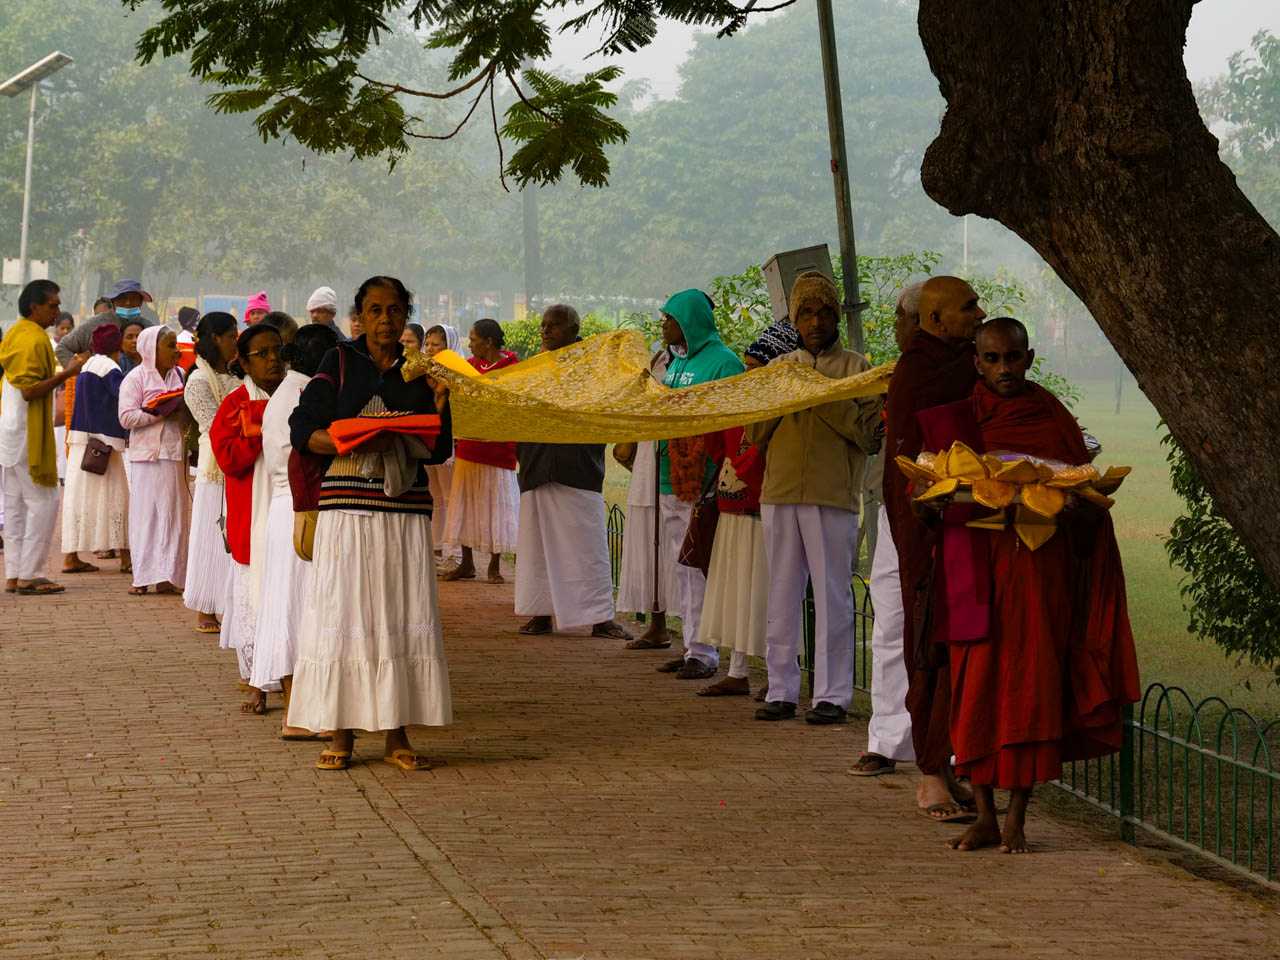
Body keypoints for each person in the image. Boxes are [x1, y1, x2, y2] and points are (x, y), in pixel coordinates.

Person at [920, 318, 1141, 853]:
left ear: (1030, 357)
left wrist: (1070, 505)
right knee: (977, 689)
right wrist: (934, 504)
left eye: (1013, 358)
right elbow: (922, 502)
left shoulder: (1054, 420)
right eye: (992, 359)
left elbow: (1088, 504)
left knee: (1032, 686)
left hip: (1042, 575)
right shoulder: (959, 421)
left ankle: (1017, 817)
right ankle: (985, 815)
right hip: (977, 571)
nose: (1003, 369)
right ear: (976, 362)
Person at [288, 276, 453, 772]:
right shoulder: (338, 361)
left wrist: (442, 408)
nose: (386, 320)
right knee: (348, 615)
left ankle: (396, 733)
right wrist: (350, 440)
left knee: (399, 616)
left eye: (395, 310)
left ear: (407, 314)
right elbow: (301, 430)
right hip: (347, 511)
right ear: (359, 316)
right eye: (376, 311)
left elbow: (439, 449)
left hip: (402, 513)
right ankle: (341, 732)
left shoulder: (418, 373)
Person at [745, 273, 882, 722]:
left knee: (832, 596)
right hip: (780, 493)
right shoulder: (780, 368)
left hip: (833, 496)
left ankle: (832, 696)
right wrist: (780, 390)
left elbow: (868, 437)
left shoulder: (858, 368)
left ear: (836, 316)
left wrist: (820, 395)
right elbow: (754, 432)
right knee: (781, 594)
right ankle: (781, 690)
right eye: (806, 313)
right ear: (795, 320)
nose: (816, 321)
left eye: (824, 312)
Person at [882, 274, 986, 820]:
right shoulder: (919, 370)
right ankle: (929, 772)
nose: (979, 313)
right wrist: (921, 522)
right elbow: (904, 464)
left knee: (963, 645)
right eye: (968, 307)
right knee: (930, 646)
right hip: (930, 526)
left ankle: (951, 763)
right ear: (936, 320)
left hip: (973, 522)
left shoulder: (973, 362)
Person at [696, 321, 802, 696]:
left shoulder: (784, 406)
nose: (747, 374)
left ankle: (778, 678)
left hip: (764, 506)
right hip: (733, 508)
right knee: (738, 590)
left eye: (757, 368)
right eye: (747, 366)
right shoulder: (739, 399)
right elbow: (719, 443)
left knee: (768, 594)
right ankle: (737, 671)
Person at [514, 305, 632, 640]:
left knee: (587, 546)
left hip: (577, 468)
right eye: (543, 326)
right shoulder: (533, 369)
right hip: (537, 465)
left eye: (554, 325)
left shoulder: (592, 369)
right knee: (536, 547)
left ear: (574, 329)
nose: (546, 331)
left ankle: (600, 619)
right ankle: (540, 613)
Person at [251, 323, 340, 738]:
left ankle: (296, 711)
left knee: (288, 607)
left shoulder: (285, 392)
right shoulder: (306, 395)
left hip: (286, 509)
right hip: (303, 508)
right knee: (302, 608)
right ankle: (300, 712)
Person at [851, 281, 925, 775]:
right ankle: (887, 739)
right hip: (891, 507)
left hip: (941, 516)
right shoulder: (895, 375)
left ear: (924, 322)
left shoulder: (965, 372)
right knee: (891, 626)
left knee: (942, 629)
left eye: (899, 320)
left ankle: (953, 750)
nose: (895, 329)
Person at [653, 290, 745, 680]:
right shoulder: (676, 362)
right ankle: (693, 645)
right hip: (668, 476)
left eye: (670, 318)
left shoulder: (724, 363)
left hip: (703, 481)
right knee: (682, 568)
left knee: (699, 566)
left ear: (690, 320)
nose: (664, 325)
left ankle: (706, 653)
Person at [210, 324, 286, 713]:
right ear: (243, 362)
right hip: (250, 514)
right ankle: (256, 681)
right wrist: (261, 427)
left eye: (278, 350)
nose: (274, 358)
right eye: (263, 353)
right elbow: (227, 458)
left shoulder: (298, 395)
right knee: (254, 598)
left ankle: (291, 679)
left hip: (288, 507)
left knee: (287, 595)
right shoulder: (234, 402)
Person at [1, 280, 84, 595]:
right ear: (34, 307)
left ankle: (14, 574)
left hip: (11, 433)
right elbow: (28, 391)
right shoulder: (34, 340)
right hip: (26, 435)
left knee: (15, 505)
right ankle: (31, 574)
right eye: (53, 305)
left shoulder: (16, 333)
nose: (58, 311)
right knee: (44, 501)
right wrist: (67, 373)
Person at [440, 318, 519, 584]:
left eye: (474, 339)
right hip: (469, 447)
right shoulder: (470, 367)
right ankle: (468, 563)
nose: (470, 344)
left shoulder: (512, 368)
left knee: (494, 506)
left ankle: (494, 566)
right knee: (467, 504)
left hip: (498, 450)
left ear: (489, 342)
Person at [117, 325, 190, 596]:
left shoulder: (180, 375)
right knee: (146, 516)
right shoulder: (135, 379)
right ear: (151, 349)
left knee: (174, 516)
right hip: (145, 457)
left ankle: (169, 576)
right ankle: (143, 575)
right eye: (170, 346)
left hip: (174, 454)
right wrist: (159, 412)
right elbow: (126, 418)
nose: (176, 351)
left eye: (175, 345)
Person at [182, 312, 240, 633]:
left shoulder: (235, 374)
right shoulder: (198, 380)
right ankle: (206, 607)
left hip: (239, 459)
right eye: (232, 336)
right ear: (216, 338)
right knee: (211, 535)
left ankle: (229, 602)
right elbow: (214, 423)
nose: (236, 342)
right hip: (215, 464)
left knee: (233, 534)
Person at [616, 351, 678, 651]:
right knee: (650, 546)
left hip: (677, 464)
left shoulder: (698, 363)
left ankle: (697, 637)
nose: (666, 324)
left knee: (676, 548)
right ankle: (658, 624)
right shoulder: (657, 361)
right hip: (647, 459)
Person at [61, 324, 131, 576]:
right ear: (116, 344)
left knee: (78, 499)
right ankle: (126, 558)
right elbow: (124, 394)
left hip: (82, 442)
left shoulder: (89, 365)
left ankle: (71, 557)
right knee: (119, 498)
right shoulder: (110, 368)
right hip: (104, 444)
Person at [422, 324, 462, 567]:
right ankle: (436, 549)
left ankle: (453, 554)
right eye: (427, 345)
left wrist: (442, 392)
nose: (429, 349)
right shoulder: (425, 373)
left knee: (449, 499)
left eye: (435, 345)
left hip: (449, 444)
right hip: (430, 442)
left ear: (449, 347)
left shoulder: (457, 375)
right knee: (434, 498)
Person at [55, 278, 153, 368]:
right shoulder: (94, 325)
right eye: (122, 298)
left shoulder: (150, 329)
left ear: (141, 302)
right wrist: (81, 371)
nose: (128, 302)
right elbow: (62, 348)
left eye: (133, 298)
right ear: (113, 301)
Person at [175, 306, 200, 373]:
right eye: (197, 320)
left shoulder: (198, 337)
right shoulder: (179, 341)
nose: (200, 322)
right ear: (190, 323)